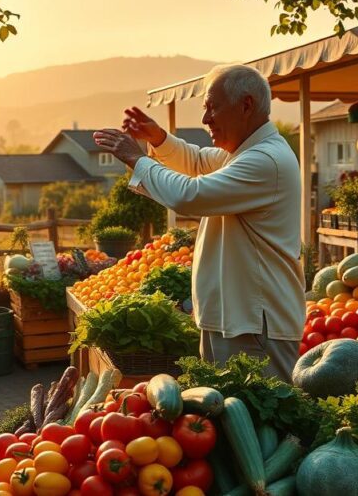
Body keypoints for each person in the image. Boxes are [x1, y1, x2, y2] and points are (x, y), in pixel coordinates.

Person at [93, 64, 306, 382]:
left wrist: (136, 159)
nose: (206, 119)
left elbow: (189, 195)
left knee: (259, 423)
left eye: (212, 108)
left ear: (245, 105)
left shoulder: (265, 160)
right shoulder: (245, 152)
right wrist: (159, 139)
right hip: (239, 320)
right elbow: (197, 161)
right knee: (232, 417)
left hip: (253, 326)